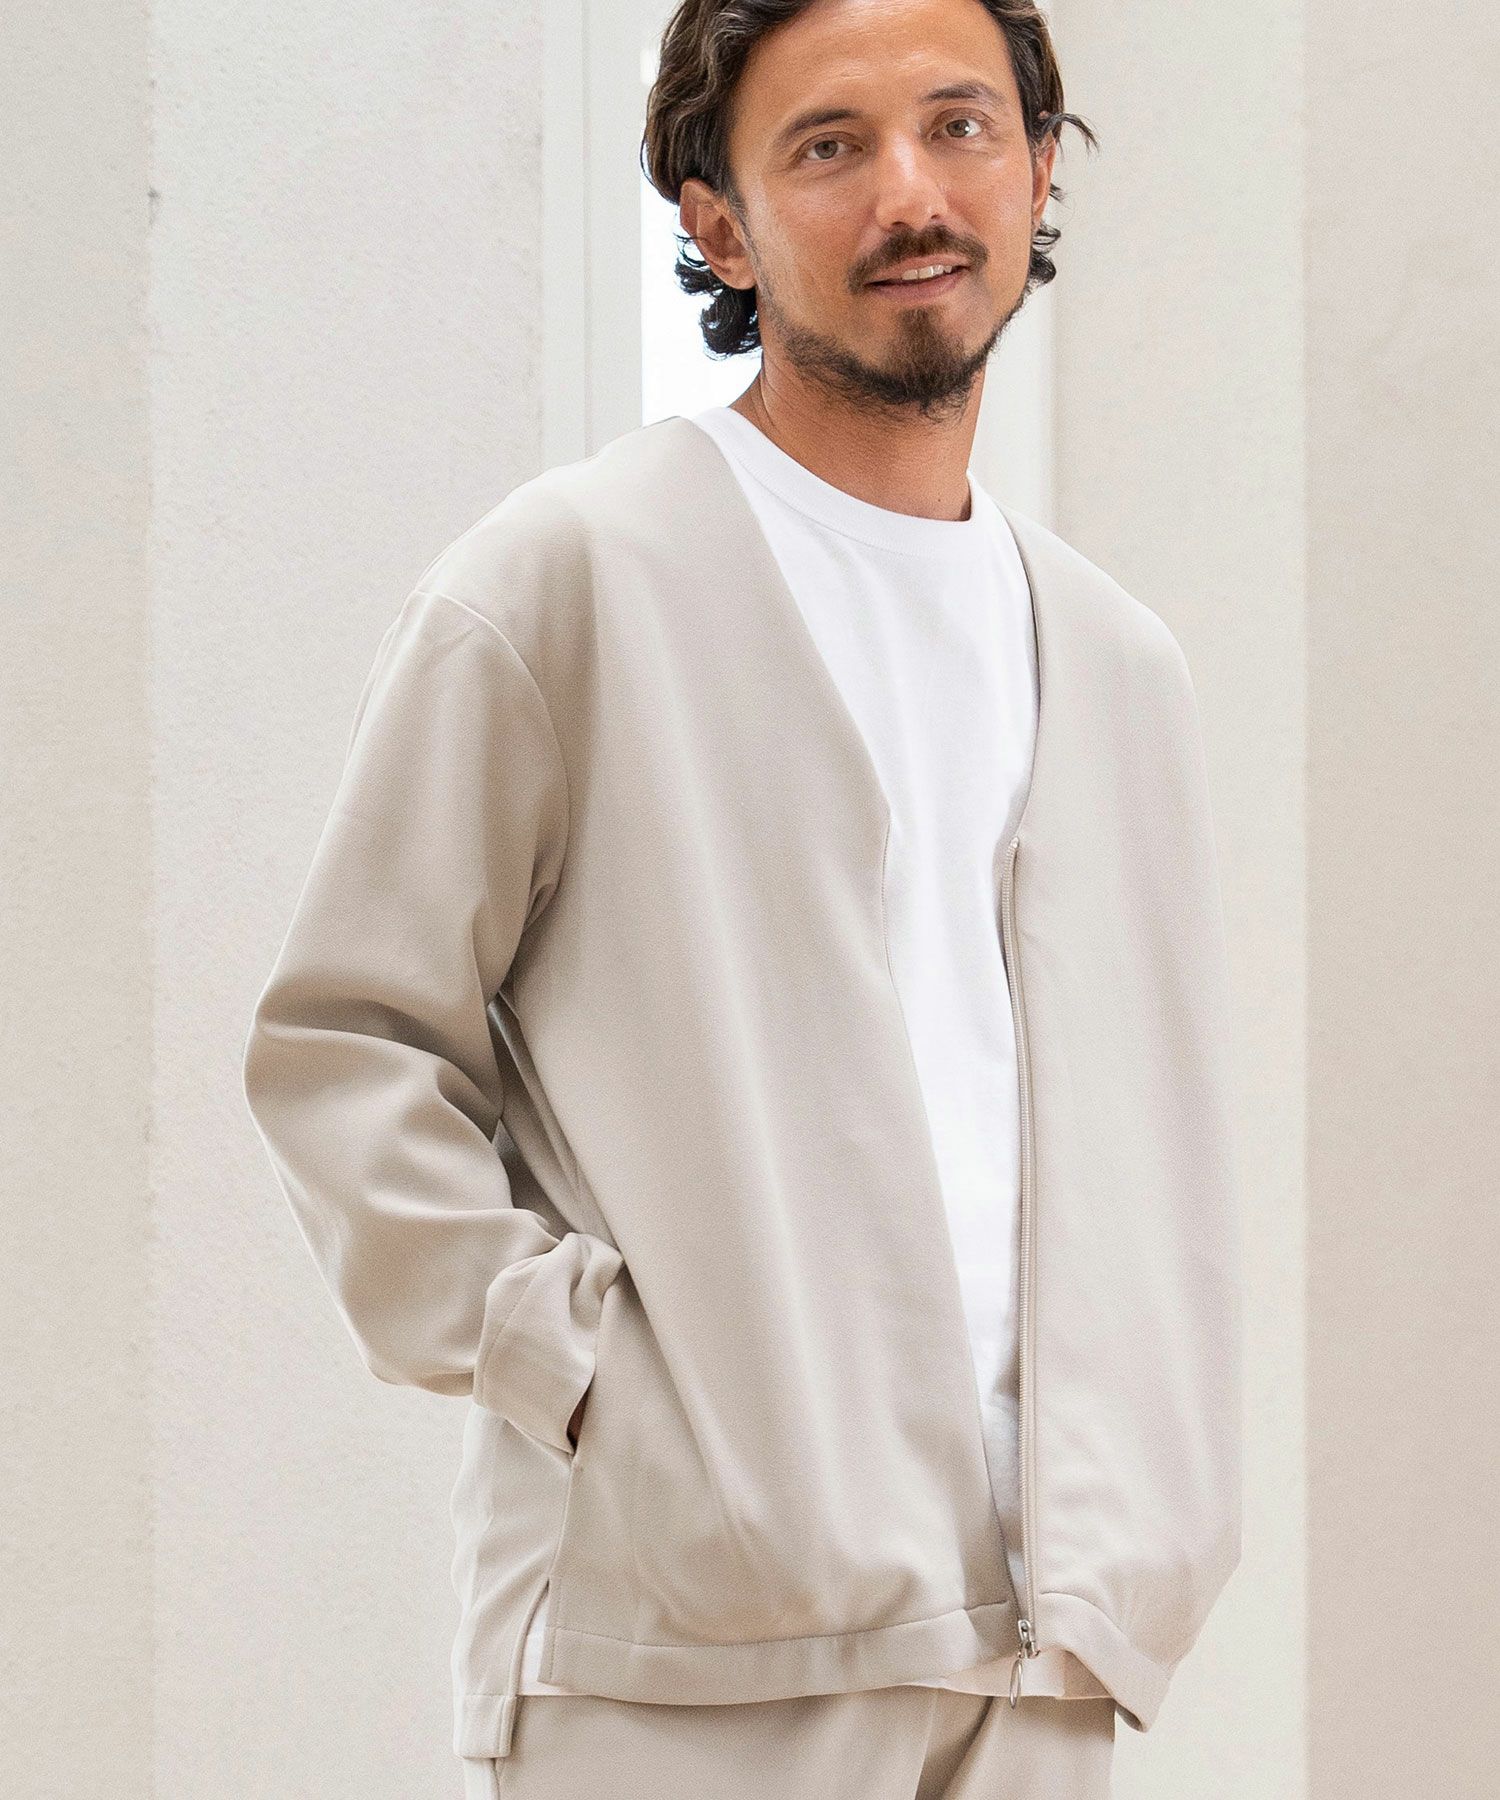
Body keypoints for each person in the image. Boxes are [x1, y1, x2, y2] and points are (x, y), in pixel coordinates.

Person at [241, 1, 1244, 1795]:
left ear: (1036, 167)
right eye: (829, 145)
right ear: (719, 222)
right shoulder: (571, 581)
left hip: (1047, 1654)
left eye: (960, 125)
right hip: (683, 1657)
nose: (911, 193)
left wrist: (1159, 1500)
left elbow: (1150, 1130)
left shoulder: (1119, 663)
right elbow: (347, 1042)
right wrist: (584, 1375)